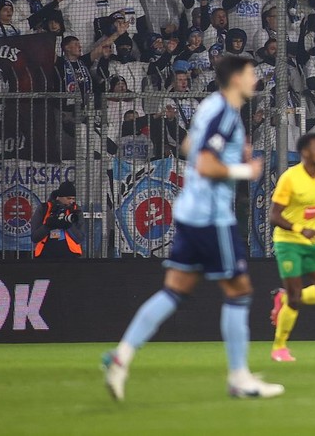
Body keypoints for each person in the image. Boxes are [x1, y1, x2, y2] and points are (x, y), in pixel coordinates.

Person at [102, 56, 282, 401]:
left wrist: (231, 155)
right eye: (250, 74)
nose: (255, 79)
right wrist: (245, 171)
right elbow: (202, 161)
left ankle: (121, 356)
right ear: (235, 79)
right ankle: (239, 377)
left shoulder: (209, 106)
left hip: (188, 212)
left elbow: (188, 147)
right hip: (212, 217)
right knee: (240, 292)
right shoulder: (226, 114)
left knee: (173, 291)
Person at [268, 133, 315, 362]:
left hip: (311, 243)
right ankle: (279, 347)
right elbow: (274, 216)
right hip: (288, 242)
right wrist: (301, 229)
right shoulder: (290, 178)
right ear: (305, 153)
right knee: (295, 299)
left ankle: (283, 298)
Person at [30, 181, 84, 259]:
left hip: (71, 255)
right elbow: (34, 237)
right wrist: (48, 225)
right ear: (59, 197)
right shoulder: (44, 208)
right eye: (68, 198)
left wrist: (68, 225)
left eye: (73, 199)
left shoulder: (76, 210)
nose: (71, 201)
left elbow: (80, 238)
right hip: (45, 255)